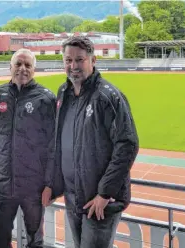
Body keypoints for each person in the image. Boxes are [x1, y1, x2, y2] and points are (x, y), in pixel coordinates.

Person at [55, 36, 139, 248]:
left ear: (93, 61)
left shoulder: (108, 96)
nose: (73, 66)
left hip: (99, 201)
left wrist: (105, 193)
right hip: (72, 197)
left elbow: (128, 144)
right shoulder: (63, 93)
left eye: (80, 60)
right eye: (68, 60)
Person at [0, 48, 57, 248]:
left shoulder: (46, 99)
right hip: (2, 183)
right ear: (10, 67)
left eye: (27, 65)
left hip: (34, 186)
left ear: (34, 69)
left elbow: (55, 146)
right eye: (18, 64)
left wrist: (51, 183)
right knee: (0, 239)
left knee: (35, 241)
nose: (22, 69)